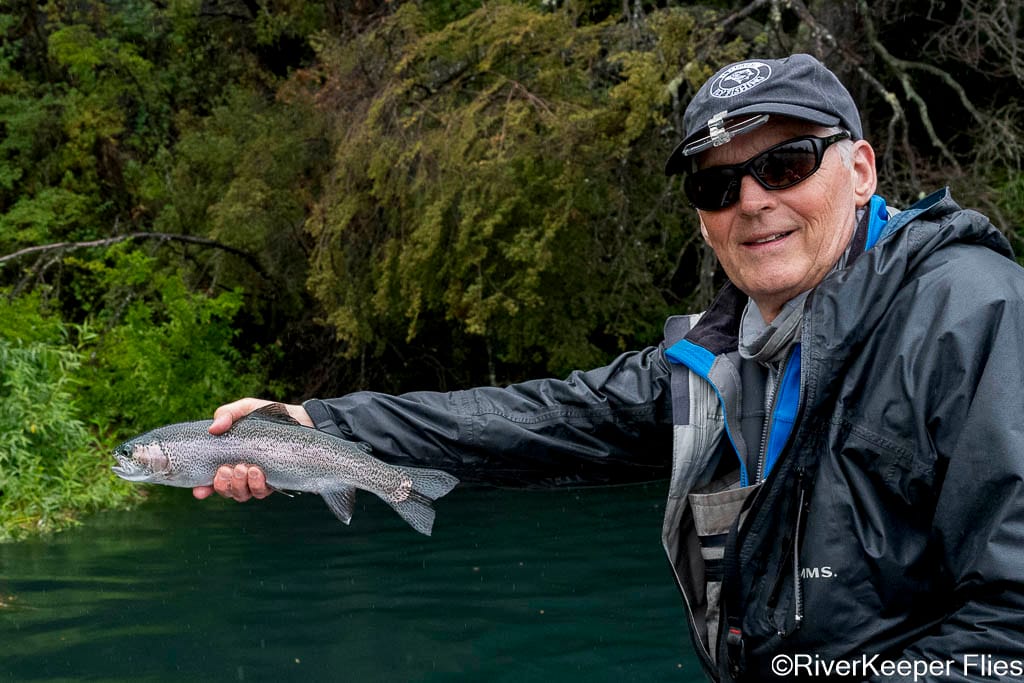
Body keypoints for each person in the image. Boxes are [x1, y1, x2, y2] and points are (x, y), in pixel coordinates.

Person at [194, 54, 1024, 681]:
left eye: (786, 163)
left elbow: (1010, 630)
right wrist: (320, 424)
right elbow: (539, 418)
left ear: (862, 169)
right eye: (717, 184)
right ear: (702, 217)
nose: (752, 201)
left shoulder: (975, 312)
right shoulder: (715, 352)